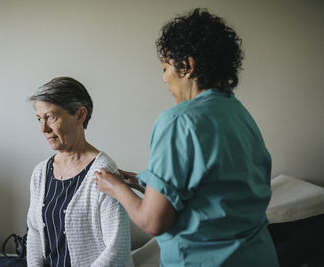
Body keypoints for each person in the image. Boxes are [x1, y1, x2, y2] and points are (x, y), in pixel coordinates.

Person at [94, 8, 279, 267]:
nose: (164, 77)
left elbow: (153, 222)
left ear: (188, 66)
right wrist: (144, 184)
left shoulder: (178, 121)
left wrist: (117, 189)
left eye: (165, 67)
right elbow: (216, 190)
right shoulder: (239, 114)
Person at [26, 77, 134, 267]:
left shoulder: (104, 171)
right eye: (39, 119)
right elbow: (34, 232)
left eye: (51, 117)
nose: (44, 128)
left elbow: (118, 248)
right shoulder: (40, 173)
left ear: (79, 115)